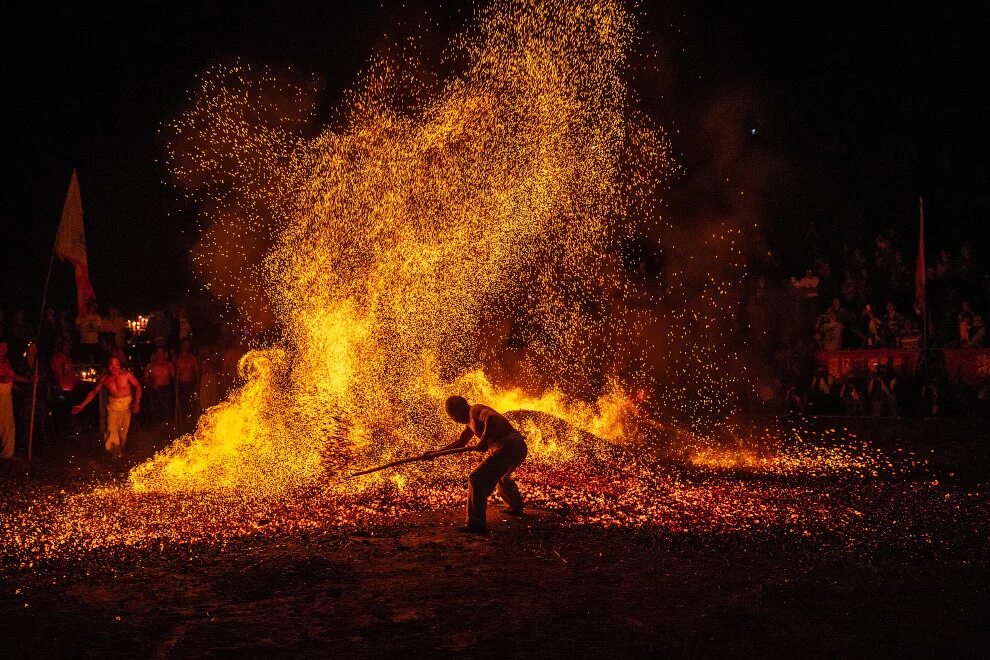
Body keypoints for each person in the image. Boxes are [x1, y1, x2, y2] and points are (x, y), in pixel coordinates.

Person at [426, 396, 528, 535]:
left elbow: (491, 418)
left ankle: (476, 523)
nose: (455, 421)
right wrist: (435, 453)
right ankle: (514, 506)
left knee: (476, 477)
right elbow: (459, 443)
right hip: (517, 446)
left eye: (454, 416)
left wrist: (484, 439)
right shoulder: (470, 424)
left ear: (459, 410)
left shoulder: (475, 410)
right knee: (502, 476)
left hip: (509, 444)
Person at [72, 356, 142, 457]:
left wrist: (137, 403)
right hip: (113, 407)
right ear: (108, 366)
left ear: (120, 366)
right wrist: (82, 405)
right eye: (111, 365)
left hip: (126, 407)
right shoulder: (105, 378)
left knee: (123, 433)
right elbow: (94, 391)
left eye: (116, 365)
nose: (114, 368)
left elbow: (138, 386)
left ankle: (119, 450)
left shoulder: (127, 375)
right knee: (111, 430)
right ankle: (114, 453)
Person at [50, 339, 80, 438]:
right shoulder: (57, 358)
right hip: (62, 389)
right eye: (66, 345)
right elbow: (55, 373)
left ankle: (68, 430)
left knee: (69, 409)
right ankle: (60, 432)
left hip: (70, 388)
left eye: (69, 345)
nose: (68, 348)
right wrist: (57, 387)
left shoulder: (68, 358)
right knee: (62, 410)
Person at [144, 346, 175, 427]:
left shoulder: (169, 365)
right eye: (157, 352)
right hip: (154, 390)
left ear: (165, 354)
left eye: (161, 352)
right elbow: (145, 379)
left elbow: (175, 378)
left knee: (166, 409)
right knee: (154, 409)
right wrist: (151, 383)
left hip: (166, 390)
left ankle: (166, 427)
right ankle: (156, 428)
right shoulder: (150, 365)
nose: (159, 354)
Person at [175, 339, 201, 430]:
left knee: (191, 405)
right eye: (185, 344)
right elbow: (176, 374)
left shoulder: (193, 358)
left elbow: (197, 373)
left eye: (188, 345)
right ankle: (182, 425)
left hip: (191, 385)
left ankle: (191, 424)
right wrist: (176, 387)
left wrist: (197, 385)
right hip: (181, 386)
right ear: (181, 346)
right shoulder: (178, 359)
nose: (186, 346)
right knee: (182, 405)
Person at [0, 340, 15, 459]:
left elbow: (12, 377)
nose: (4, 350)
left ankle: (7, 454)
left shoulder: (7, 361)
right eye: (2, 347)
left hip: (7, 394)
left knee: (8, 424)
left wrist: (29, 379)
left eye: (6, 347)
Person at [75, 300, 103, 364]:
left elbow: (100, 330)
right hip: (84, 342)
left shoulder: (98, 317)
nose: (92, 308)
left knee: (96, 361)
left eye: (93, 306)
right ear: (87, 307)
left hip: (95, 342)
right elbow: (76, 328)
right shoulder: (81, 316)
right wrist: (82, 329)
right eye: (90, 306)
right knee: (85, 361)